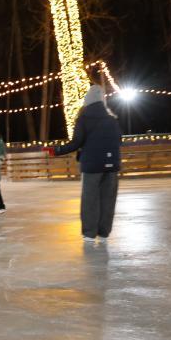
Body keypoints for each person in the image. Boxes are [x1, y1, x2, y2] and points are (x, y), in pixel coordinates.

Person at [49, 84, 122, 243]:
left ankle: (89, 233)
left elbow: (76, 142)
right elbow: (118, 140)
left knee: (90, 199)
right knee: (108, 199)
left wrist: (57, 150)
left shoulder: (84, 119)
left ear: (87, 101)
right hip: (112, 166)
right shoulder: (112, 120)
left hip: (92, 166)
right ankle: (103, 233)